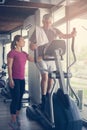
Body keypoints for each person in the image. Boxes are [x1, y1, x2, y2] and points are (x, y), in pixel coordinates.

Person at [29, 13, 76, 111]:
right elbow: (31, 45)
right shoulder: (38, 31)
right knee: (45, 76)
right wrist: (33, 46)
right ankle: (44, 98)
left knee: (51, 78)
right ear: (43, 22)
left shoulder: (54, 30)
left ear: (51, 22)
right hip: (41, 58)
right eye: (46, 22)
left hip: (52, 58)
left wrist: (71, 35)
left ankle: (49, 95)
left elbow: (63, 36)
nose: (48, 24)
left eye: (50, 22)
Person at [7, 35, 34, 130]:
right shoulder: (12, 53)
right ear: (17, 42)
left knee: (20, 99)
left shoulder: (24, 54)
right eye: (22, 40)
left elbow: (33, 60)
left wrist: (42, 53)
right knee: (15, 99)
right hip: (14, 79)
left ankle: (16, 117)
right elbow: (9, 67)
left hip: (22, 79)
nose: (24, 42)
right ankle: (12, 121)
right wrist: (10, 79)